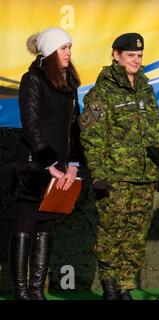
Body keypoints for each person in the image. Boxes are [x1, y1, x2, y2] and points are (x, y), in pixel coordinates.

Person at [79, 33, 159, 300]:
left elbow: (156, 131)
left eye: (140, 56)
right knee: (112, 233)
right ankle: (109, 285)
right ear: (116, 55)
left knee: (136, 235)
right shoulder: (102, 91)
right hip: (115, 177)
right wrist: (98, 174)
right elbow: (92, 136)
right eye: (131, 56)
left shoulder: (145, 88)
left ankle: (125, 287)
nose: (136, 61)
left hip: (145, 176)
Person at [10, 27, 81, 300]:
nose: (69, 53)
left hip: (60, 170)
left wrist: (72, 164)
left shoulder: (69, 85)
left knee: (46, 227)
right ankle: (21, 291)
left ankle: (36, 290)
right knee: (25, 225)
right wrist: (49, 164)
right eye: (64, 48)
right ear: (51, 51)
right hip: (32, 168)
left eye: (69, 48)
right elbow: (31, 126)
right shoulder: (32, 79)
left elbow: (74, 128)